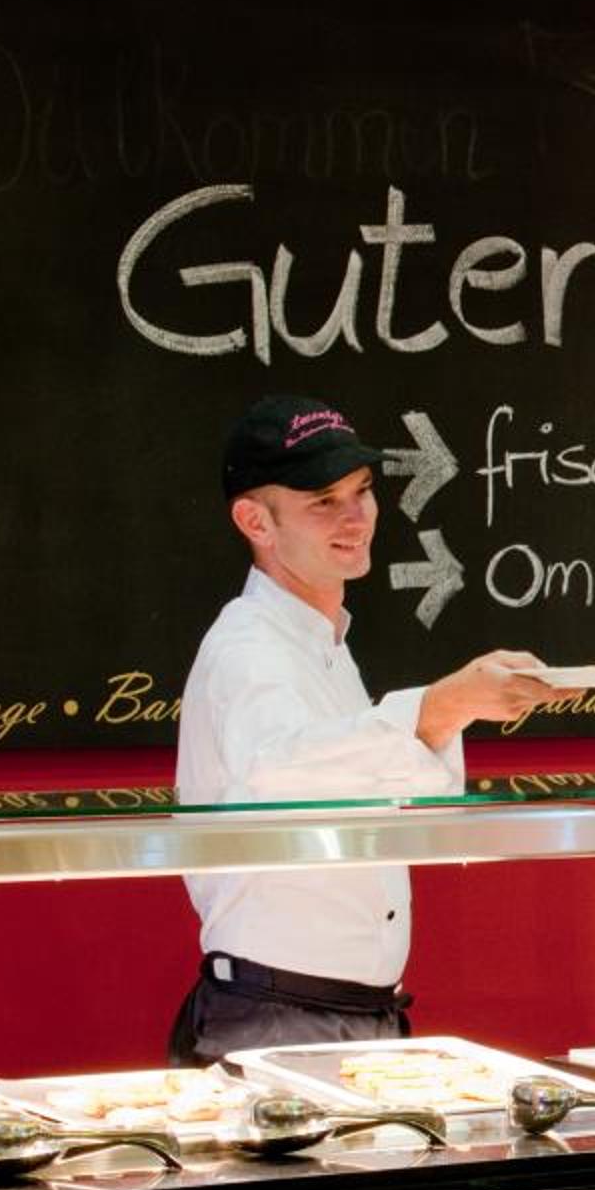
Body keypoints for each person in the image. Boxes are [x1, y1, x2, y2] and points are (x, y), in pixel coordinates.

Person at [168, 394, 557, 1065]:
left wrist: (450, 710)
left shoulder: (324, 644)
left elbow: (384, 794)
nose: (356, 517)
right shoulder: (244, 647)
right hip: (275, 1019)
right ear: (254, 520)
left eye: (364, 491)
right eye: (324, 501)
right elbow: (284, 771)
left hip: (349, 1014)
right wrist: (442, 706)